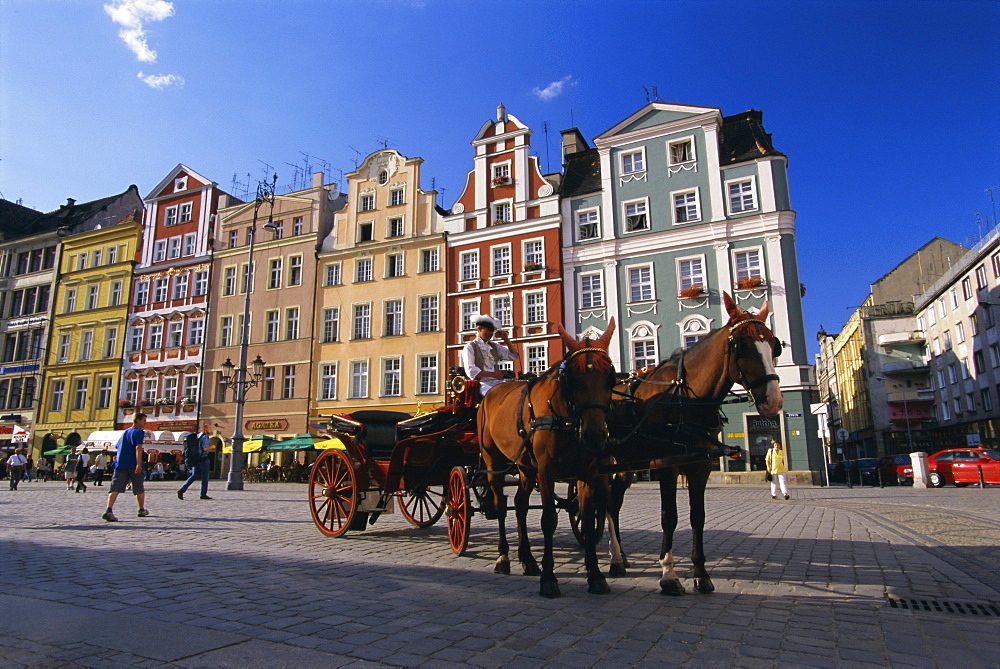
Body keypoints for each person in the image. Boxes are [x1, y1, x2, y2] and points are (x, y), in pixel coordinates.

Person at [103, 413, 149, 521]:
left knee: (115, 487)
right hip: (132, 463)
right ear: (137, 420)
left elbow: (118, 447)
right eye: (143, 420)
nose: (145, 422)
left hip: (120, 463)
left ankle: (108, 510)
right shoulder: (139, 432)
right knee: (138, 486)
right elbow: (138, 448)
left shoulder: (125, 432)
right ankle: (141, 509)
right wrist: (138, 463)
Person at [462, 314, 519, 396]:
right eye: (488, 330)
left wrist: (506, 339)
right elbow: (471, 371)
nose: (491, 333)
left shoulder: (494, 346)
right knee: (494, 394)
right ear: (479, 329)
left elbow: (514, 356)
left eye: (492, 331)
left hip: (496, 381)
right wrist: (493, 374)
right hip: (481, 383)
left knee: (512, 390)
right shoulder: (470, 347)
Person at [177, 425, 213, 500]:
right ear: (205, 429)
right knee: (205, 477)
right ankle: (203, 494)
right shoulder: (205, 437)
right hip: (203, 458)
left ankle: (182, 489)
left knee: (194, 475)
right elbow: (204, 448)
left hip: (195, 458)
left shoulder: (197, 436)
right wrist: (212, 447)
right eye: (209, 428)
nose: (211, 429)